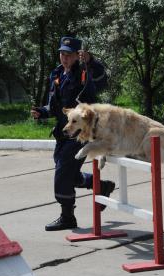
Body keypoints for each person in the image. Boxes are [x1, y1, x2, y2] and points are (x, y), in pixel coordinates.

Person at [31, 36, 115, 231]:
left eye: (68, 54)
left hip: (81, 132)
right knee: (69, 173)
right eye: (62, 53)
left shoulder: (85, 72)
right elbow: (55, 106)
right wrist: (42, 112)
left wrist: (91, 61)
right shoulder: (57, 74)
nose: (64, 57)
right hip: (63, 133)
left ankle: (67, 216)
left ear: (78, 56)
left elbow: (101, 80)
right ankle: (100, 185)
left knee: (62, 174)